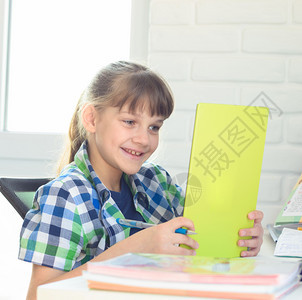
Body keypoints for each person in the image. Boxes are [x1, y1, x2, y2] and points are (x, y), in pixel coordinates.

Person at [18, 61, 264, 300]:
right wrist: (134, 249)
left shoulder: (157, 182)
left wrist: (238, 236)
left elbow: (199, 240)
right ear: (92, 119)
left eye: (154, 127)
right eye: (129, 122)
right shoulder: (65, 196)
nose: (144, 140)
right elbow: (38, 295)